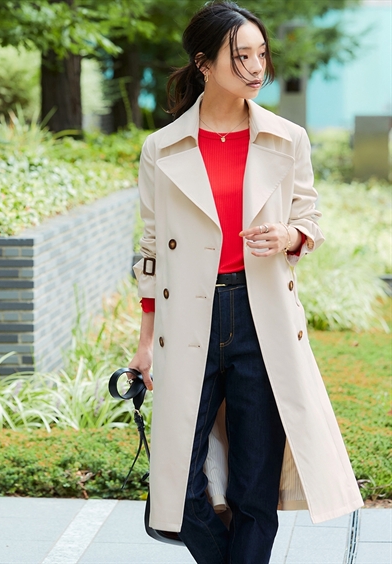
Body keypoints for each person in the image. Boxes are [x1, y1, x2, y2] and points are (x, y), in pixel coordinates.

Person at [129, 2, 363, 563]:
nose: (257, 67)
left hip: (262, 320)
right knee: (179, 491)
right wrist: (144, 344)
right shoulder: (162, 148)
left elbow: (310, 220)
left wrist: (288, 235)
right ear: (203, 63)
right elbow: (152, 252)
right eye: (241, 56)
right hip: (190, 320)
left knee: (255, 488)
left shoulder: (287, 139)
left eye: (261, 54)